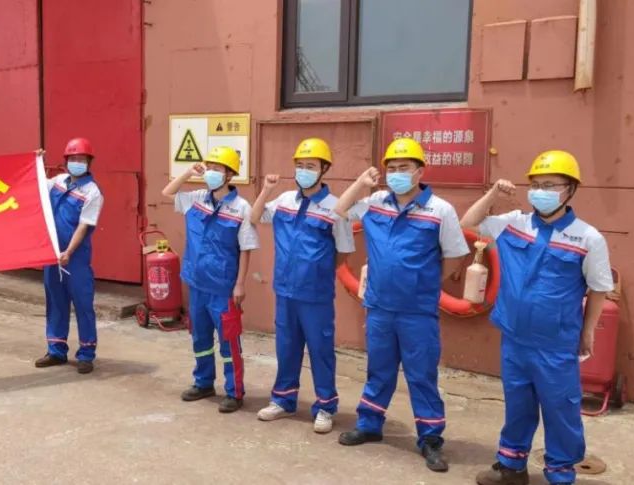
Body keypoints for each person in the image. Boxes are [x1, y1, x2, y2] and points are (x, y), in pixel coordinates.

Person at [460, 150, 614, 485]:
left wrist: (587, 331)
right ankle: (511, 467)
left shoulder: (587, 238)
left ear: (570, 190)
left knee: (560, 408)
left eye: (550, 185)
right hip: (514, 336)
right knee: (518, 405)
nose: (541, 192)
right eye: (536, 185)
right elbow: (467, 224)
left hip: (555, 342)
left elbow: (599, 288)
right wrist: (492, 195)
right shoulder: (514, 223)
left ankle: (560, 473)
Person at [333, 137, 469, 472]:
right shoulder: (375, 201)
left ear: (420, 171)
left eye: (403, 167)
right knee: (378, 369)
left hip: (417, 310)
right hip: (380, 306)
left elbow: (454, 257)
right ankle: (369, 424)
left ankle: (431, 439)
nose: (396, 173)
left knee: (421, 374)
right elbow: (339, 210)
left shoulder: (440, 210)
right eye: (391, 168)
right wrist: (360, 184)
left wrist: (424, 283)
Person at [249, 138, 355, 433]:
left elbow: (344, 251)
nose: (304, 170)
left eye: (311, 165)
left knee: (321, 350)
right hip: (285, 290)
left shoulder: (335, 207)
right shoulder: (284, 200)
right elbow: (254, 217)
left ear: (324, 169)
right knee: (287, 347)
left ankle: (325, 407)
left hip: (316, 294)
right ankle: (283, 400)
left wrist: (318, 271)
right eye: (300, 165)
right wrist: (266, 189)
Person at [161, 146, 258, 413]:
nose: (212, 173)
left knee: (229, 342)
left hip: (223, 288)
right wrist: (188, 173)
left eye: (218, 169)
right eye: (210, 168)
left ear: (230, 174)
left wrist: (240, 284)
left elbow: (246, 248)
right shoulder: (196, 198)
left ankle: (234, 392)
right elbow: (167, 192)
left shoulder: (241, 208)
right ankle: (203, 382)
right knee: (200, 338)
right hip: (197, 284)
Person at [35, 138, 105, 375]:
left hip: (75, 258)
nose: (77, 162)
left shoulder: (92, 192)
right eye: (73, 158)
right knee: (55, 301)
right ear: (66, 161)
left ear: (89, 162)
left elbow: (84, 226)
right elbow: (35, 184)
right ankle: (56, 350)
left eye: (81, 159)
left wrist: (69, 252)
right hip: (52, 255)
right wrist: (37, 160)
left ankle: (86, 354)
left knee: (83, 304)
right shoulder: (57, 182)